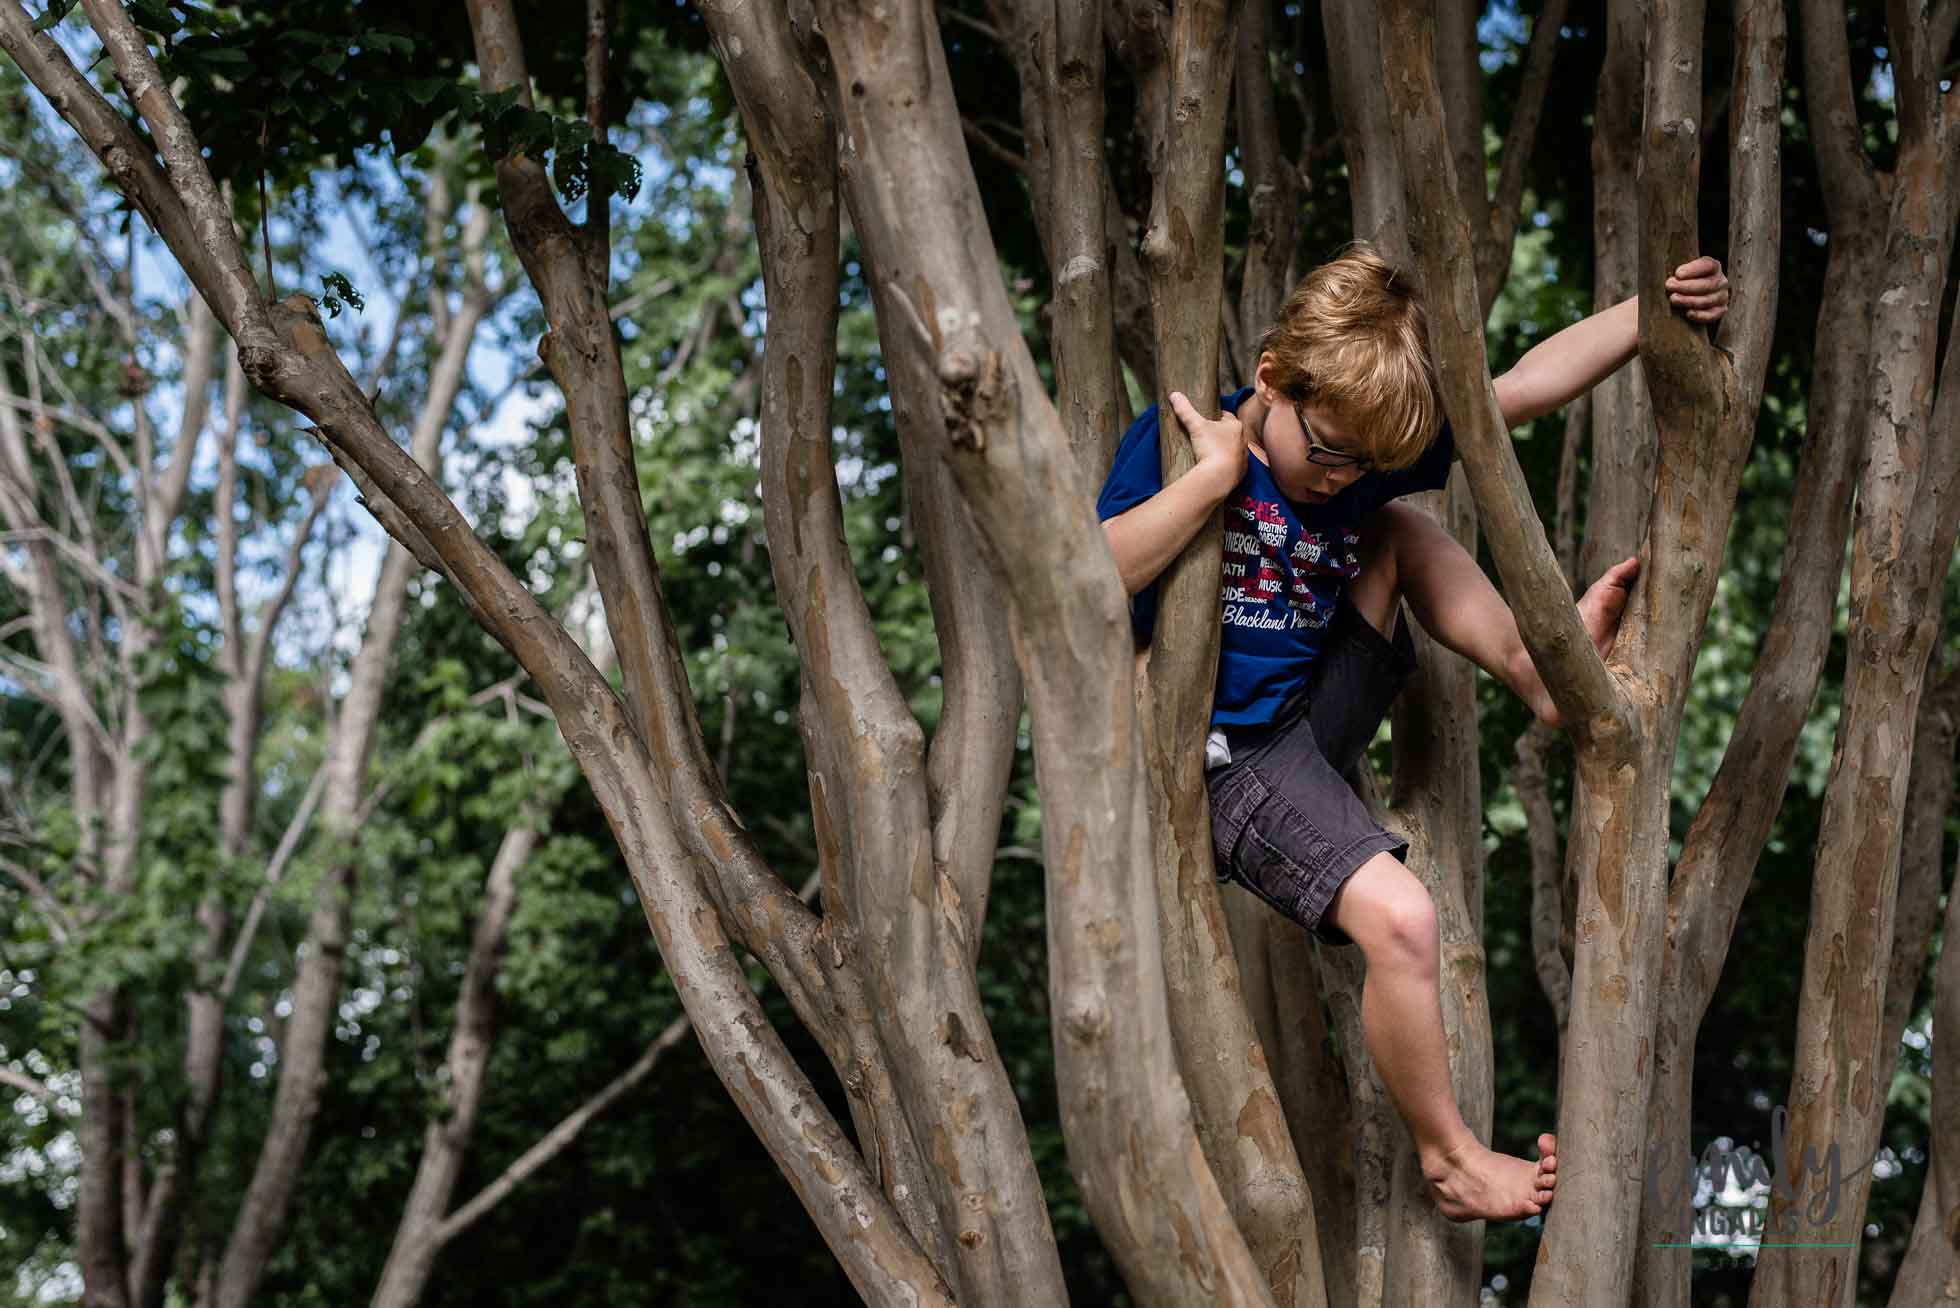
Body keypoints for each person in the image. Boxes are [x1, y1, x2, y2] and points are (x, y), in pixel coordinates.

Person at [1096, 244, 1730, 1222]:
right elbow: (1087, 578)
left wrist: (1653, 309)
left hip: (1311, 719)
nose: (1341, 474)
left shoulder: (1356, 456)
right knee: (1403, 920)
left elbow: (1517, 389)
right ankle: (1451, 1159)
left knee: (1396, 526)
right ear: (1271, 377)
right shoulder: (1187, 441)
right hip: (1223, 758)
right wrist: (1209, 481)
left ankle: (1539, 673)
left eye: (1365, 460)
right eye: (1331, 449)